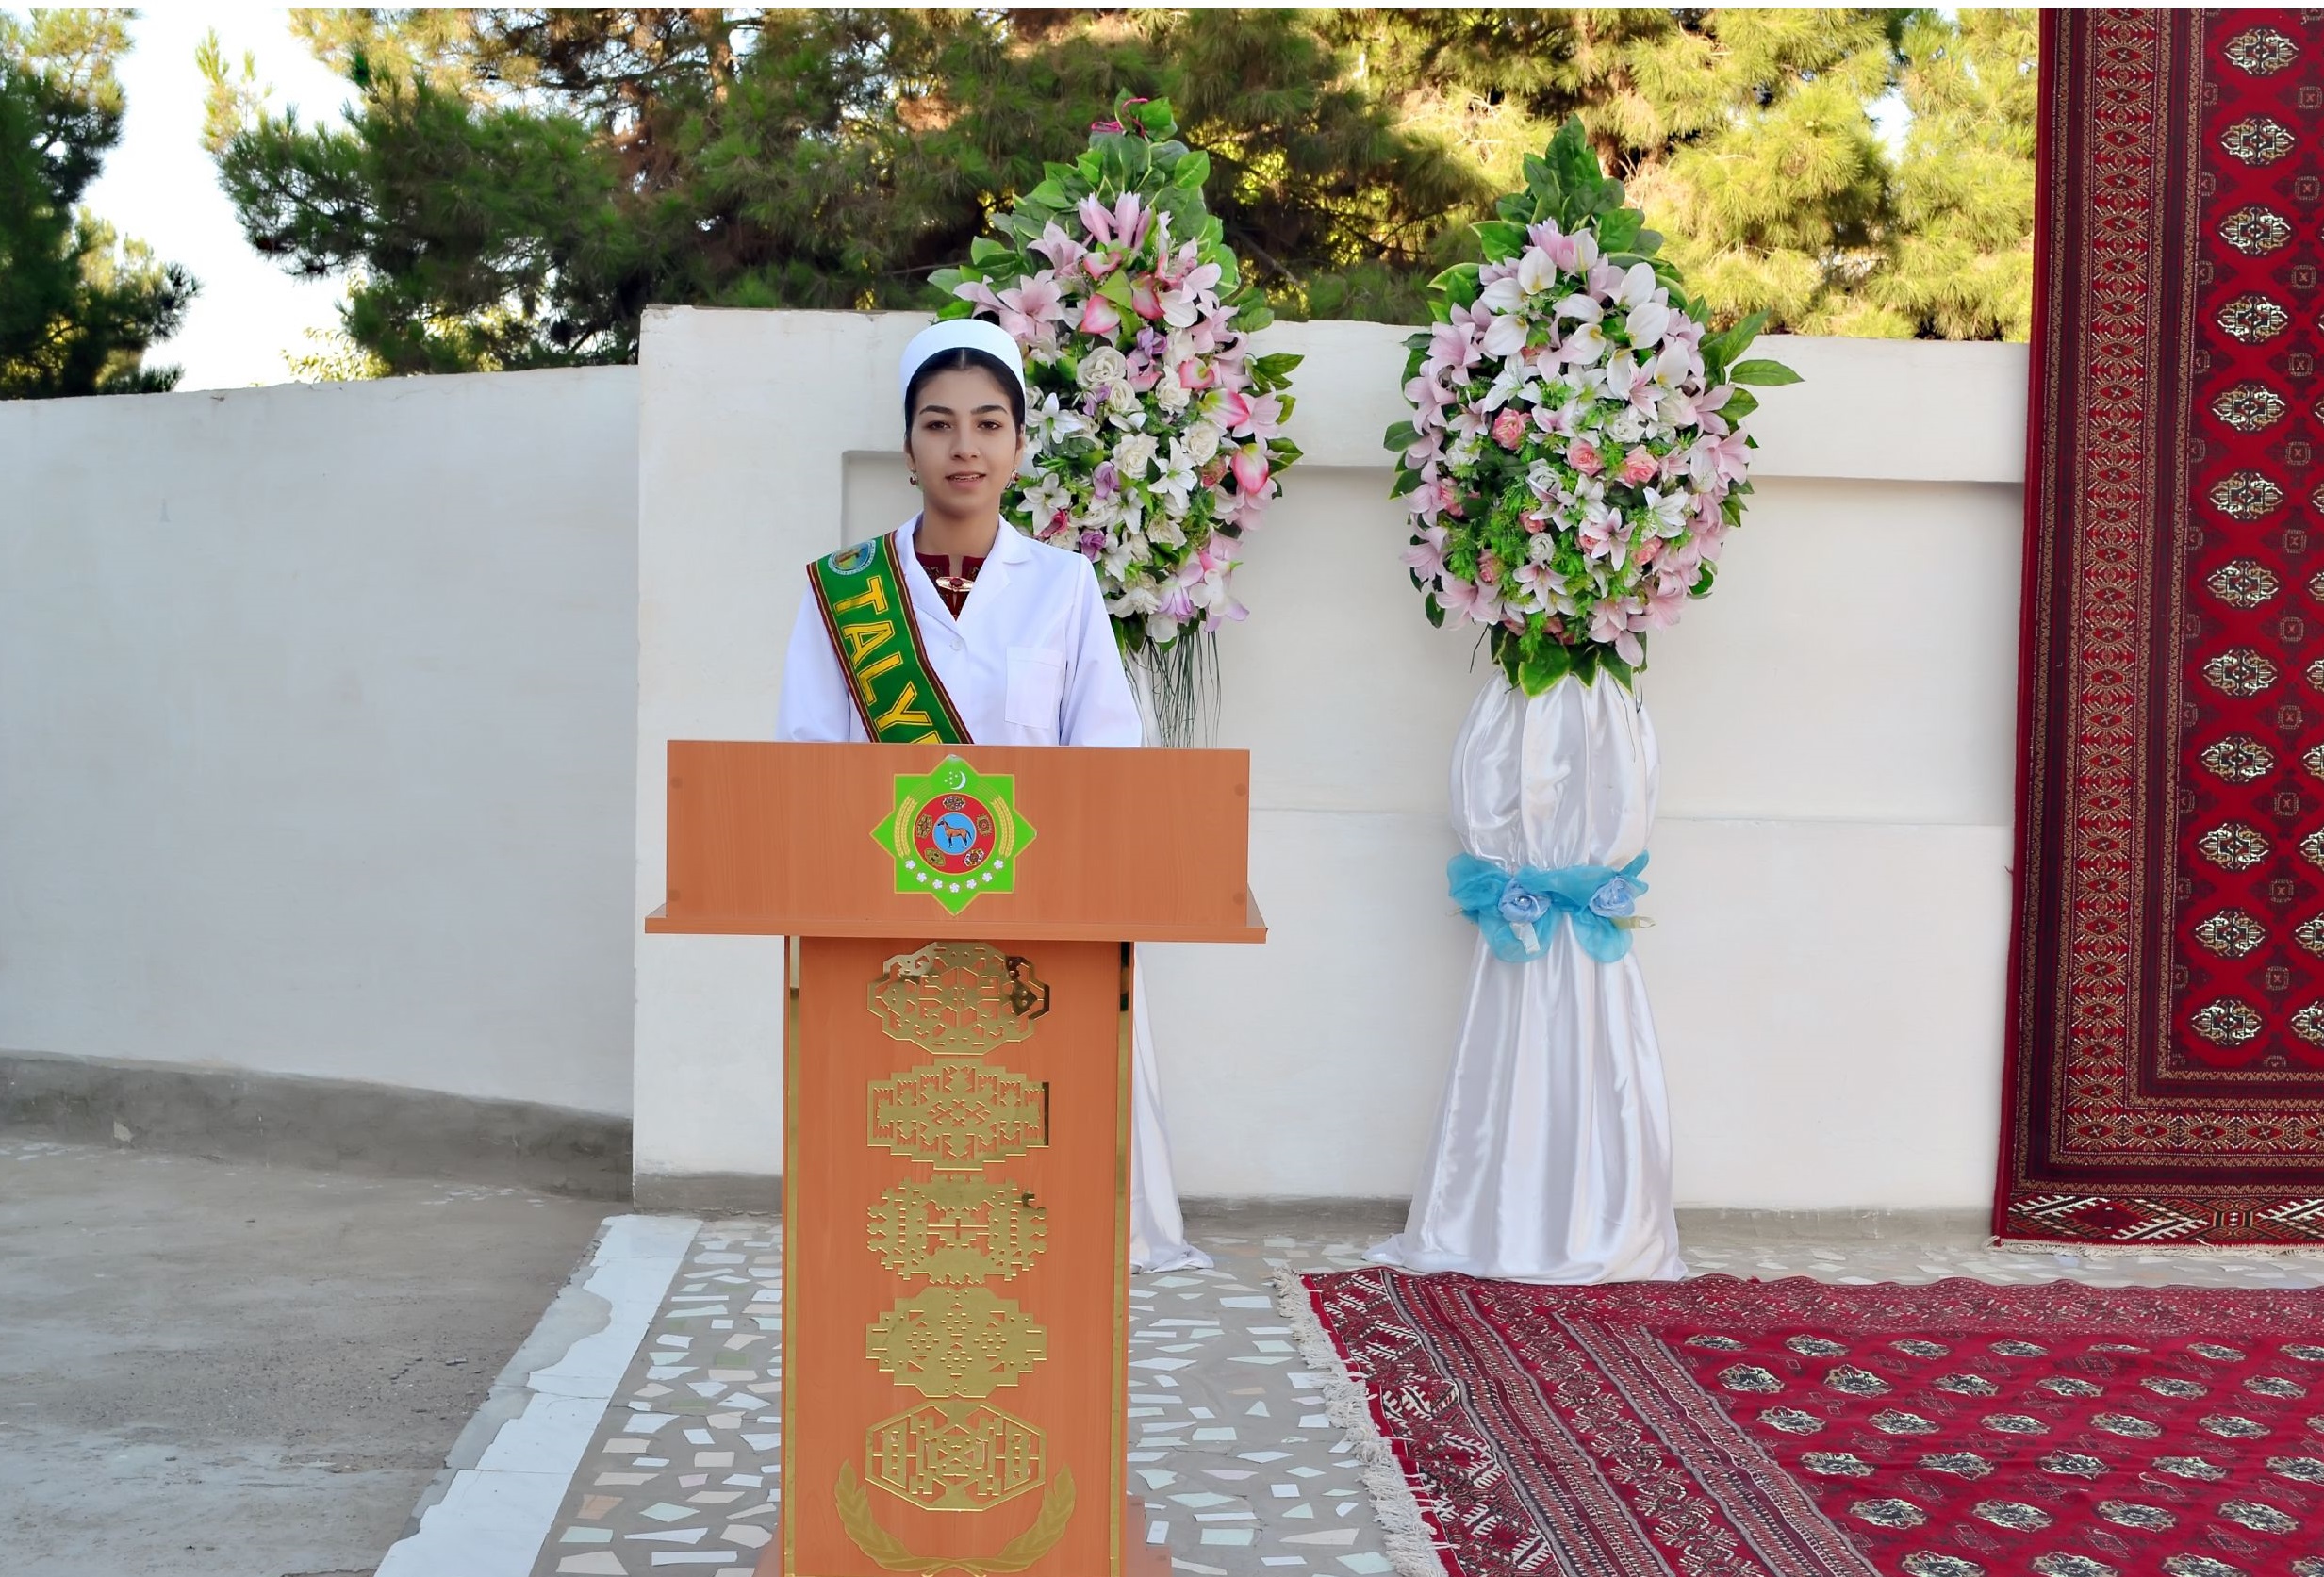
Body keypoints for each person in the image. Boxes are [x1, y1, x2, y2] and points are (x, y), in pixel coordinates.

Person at [776, 317, 1211, 1273]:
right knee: (901, 1193)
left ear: (1017, 443)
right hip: (885, 926)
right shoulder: (843, 590)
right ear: (906, 446)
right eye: (937, 424)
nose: (962, 447)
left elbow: (1105, 751)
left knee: (1030, 1187)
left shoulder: (1062, 585)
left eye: (986, 423)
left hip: (1036, 923)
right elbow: (808, 758)